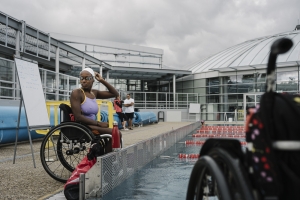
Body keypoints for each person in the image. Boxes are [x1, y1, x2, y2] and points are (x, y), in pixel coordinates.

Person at [70, 67, 120, 152]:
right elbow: (78, 117)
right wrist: (98, 123)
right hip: (84, 126)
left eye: (87, 78)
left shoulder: (94, 93)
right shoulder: (77, 93)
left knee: (114, 134)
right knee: (117, 134)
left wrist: (101, 80)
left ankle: (105, 155)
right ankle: (107, 160)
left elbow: (114, 93)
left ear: (93, 80)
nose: (84, 81)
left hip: (92, 125)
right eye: (82, 78)